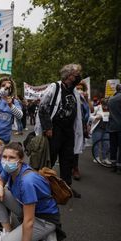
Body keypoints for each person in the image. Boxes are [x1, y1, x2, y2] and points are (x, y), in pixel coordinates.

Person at [0, 142, 62, 241]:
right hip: (27, 208)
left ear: (21, 159)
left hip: (43, 218)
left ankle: (47, 231)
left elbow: (29, 221)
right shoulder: (10, 169)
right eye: (4, 156)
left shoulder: (27, 181)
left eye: (11, 157)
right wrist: (0, 187)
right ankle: (7, 231)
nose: (7, 161)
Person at [35, 63, 84, 198]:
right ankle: (45, 188)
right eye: (76, 75)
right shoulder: (54, 87)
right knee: (50, 159)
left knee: (68, 159)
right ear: (68, 76)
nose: (79, 77)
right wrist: (48, 127)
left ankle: (66, 188)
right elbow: (43, 107)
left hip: (68, 131)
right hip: (54, 130)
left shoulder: (74, 91)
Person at [0, 77, 23, 144]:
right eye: (3, 85)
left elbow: (20, 116)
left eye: (9, 87)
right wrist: (4, 88)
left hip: (4, 138)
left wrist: (11, 105)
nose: (6, 88)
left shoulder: (14, 102)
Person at [72, 80, 91, 180]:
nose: (79, 90)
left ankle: (75, 168)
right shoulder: (71, 97)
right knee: (69, 148)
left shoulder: (84, 99)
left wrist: (87, 99)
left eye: (81, 89)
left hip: (80, 128)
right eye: (77, 88)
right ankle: (71, 167)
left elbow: (90, 111)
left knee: (77, 148)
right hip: (70, 127)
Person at [90, 98, 110, 165]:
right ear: (101, 104)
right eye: (104, 104)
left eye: (107, 104)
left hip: (106, 128)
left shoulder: (110, 109)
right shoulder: (97, 108)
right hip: (97, 129)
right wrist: (96, 117)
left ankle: (105, 158)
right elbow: (90, 115)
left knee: (106, 144)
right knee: (96, 143)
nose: (106, 106)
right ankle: (96, 157)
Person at [108, 84, 121, 173]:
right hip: (120, 126)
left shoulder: (111, 99)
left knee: (113, 146)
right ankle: (119, 166)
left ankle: (113, 165)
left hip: (112, 126)